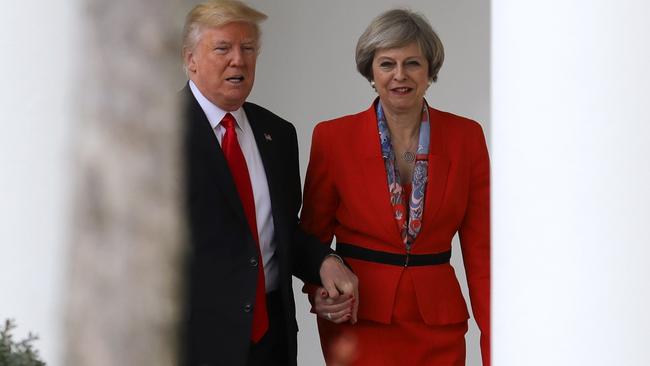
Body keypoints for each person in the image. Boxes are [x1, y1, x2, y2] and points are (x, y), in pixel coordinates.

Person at [300, 8, 490, 366]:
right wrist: (317, 292)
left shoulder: (467, 138)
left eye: (413, 63)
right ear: (371, 72)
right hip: (360, 323)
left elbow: (483, 255)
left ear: (430, 71)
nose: (399, 76)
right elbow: (311, 238)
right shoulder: (332, 138)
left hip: (440, 326)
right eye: (387, 64)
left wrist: (497, 346)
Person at [179, 1, 358, 365]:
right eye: (223, 48)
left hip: (271, 342)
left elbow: (282, 230)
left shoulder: (277, 133)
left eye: (247, 49)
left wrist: (325, 260)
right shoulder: (160, 136)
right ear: (191, 59)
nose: (238, 60)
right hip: (195, 346)